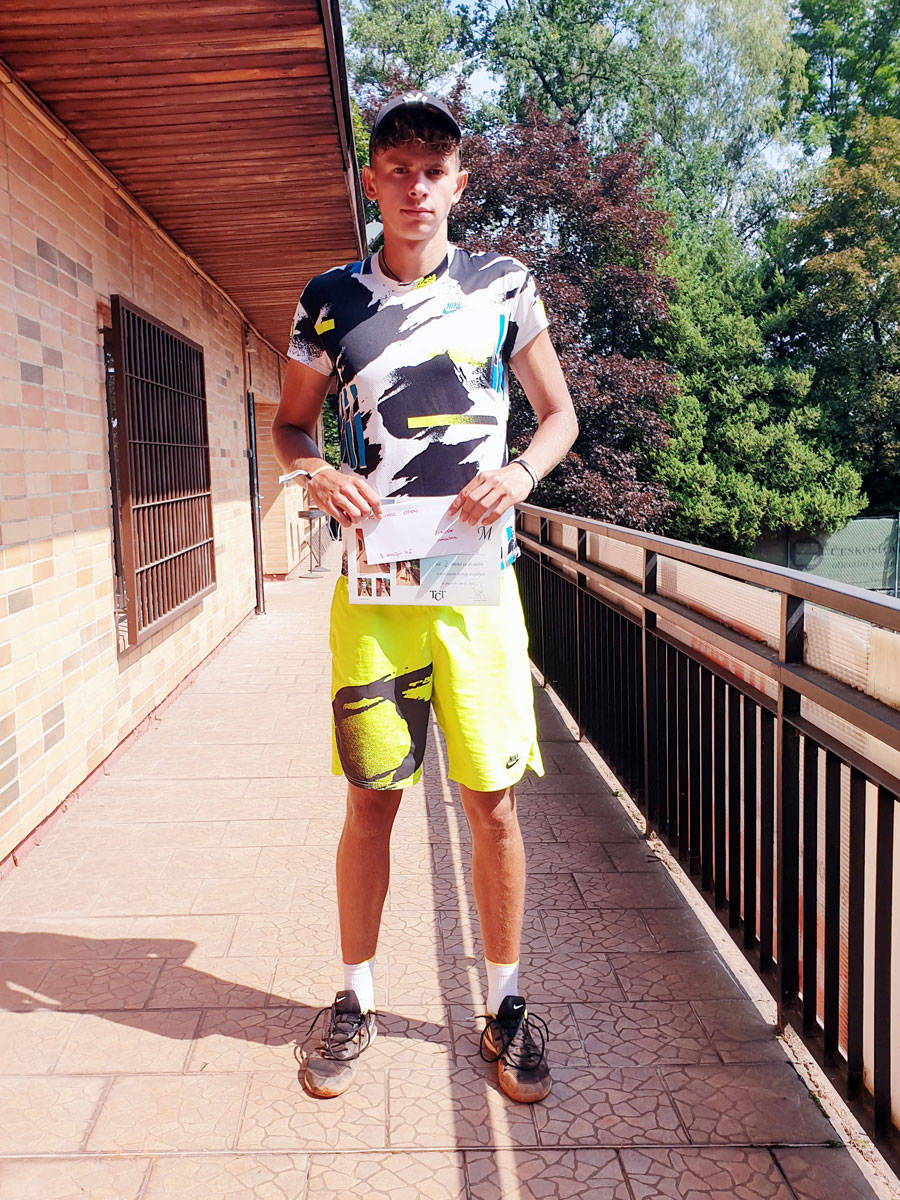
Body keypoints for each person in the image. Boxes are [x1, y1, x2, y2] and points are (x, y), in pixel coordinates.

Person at [272, 92, 578, 1104]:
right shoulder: (329, 298)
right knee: (372, 802)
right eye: (398, 169)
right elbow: (289, 426)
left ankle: (505, 1004)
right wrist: (317, 473)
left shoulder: (504, 285)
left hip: (478, 592)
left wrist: (521, 475)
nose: (417, 187)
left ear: (459, 183)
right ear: (373, 180)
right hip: (376, 594)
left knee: (491, 806)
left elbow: (559, 416)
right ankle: (355, 997)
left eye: (434, 170)